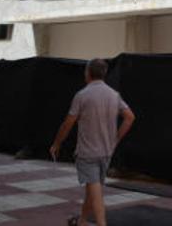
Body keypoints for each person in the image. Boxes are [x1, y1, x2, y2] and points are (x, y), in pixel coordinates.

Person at [50, 59, 136, 226]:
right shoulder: (114, 95)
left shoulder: (82, 95)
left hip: (87, 153)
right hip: (106, 152)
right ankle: (82, 222)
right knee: (93, 190)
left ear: (88, 73)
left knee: (95, 192)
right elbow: (130, 117)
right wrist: (116, 139)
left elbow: (68, 123)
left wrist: (57, 143)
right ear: (104, 74)